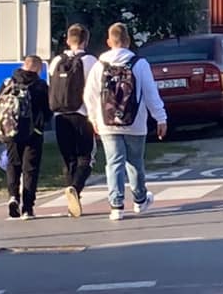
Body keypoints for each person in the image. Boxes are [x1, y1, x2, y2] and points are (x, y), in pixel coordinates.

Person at [84, 22, 167, 222]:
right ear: (128, 41)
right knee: (135, 162)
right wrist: (160, 118)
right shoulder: (139, 64)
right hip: (135, 122)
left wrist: (94, 118)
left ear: (108, 42)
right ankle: (139, 200)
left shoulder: (99, 65)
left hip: (107, 122)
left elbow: (90, 95)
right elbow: (150, 93)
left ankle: (116, 206)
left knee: (114, 163)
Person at [48, 24, 98, 218]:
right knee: (86, 156)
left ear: (68, 40)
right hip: (82, 115)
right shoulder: (90, 61)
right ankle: (75, 188)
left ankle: (71, 197)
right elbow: (95, 90)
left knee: (68, 159)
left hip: (60, 116)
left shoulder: (56, 61)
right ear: (86, 40)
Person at [0, 56, 50, 220]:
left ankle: (13, 197)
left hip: (11, 132)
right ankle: (27, 207)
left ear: (23, 66)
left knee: (13, 164)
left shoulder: (8, 83)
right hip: (34, 133)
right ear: (39, 69)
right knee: (30, 169)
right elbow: (48, 111)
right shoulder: (40, 86)